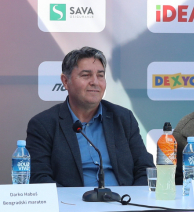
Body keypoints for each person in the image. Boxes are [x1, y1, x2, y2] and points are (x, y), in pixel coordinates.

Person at [26, 47, 153, 187]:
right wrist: (73, 200)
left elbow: (145, 169)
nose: (95, 82)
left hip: (123, 199)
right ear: (65, 81)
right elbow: (39, 178)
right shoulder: (43, 124)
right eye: (86, 75)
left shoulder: (123, 118)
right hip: (73, 201)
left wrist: (133, 198)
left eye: (100, 75)